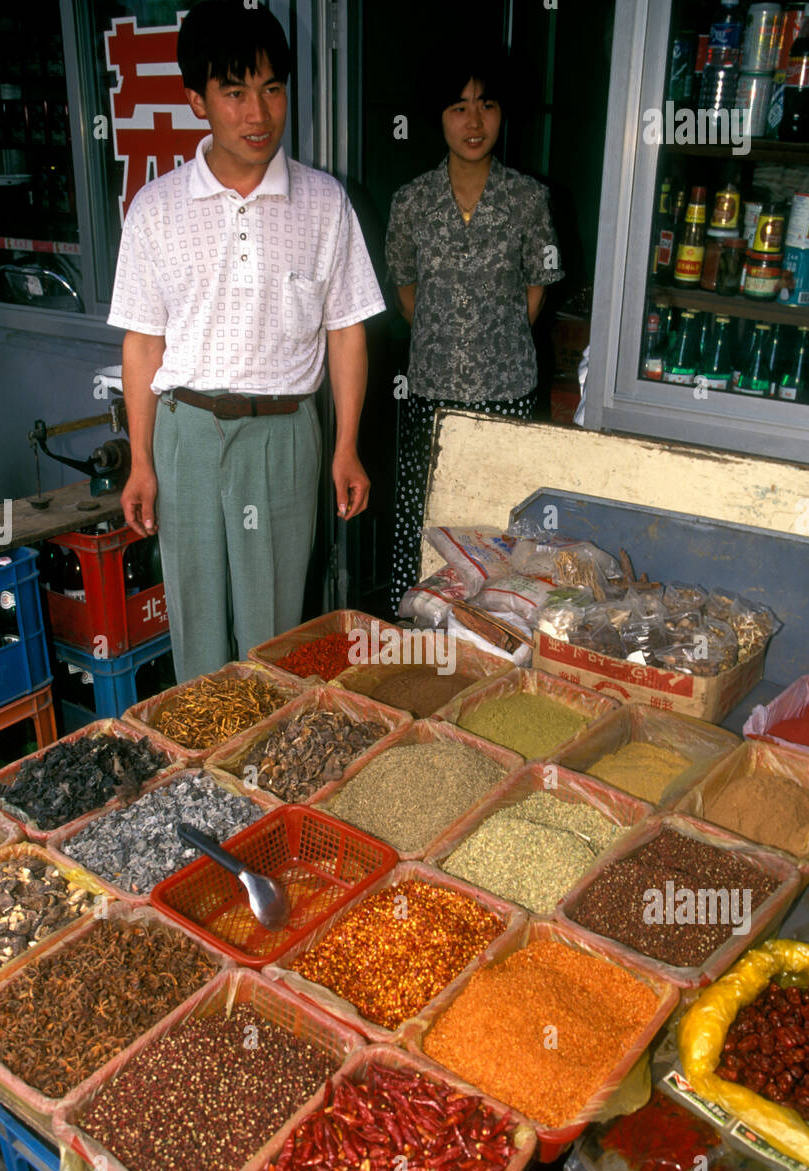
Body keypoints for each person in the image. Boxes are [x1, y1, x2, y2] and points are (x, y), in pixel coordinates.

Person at [109, 1, 385, 682]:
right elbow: (143, 346)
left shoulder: (325, 203)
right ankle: (205, 766)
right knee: (196, 617)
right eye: (234, 92)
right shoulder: (156, 210)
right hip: (187, 434)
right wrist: (141, 461)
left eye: (272, 88)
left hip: (286, 435)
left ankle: (274, 765)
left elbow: (346, 332)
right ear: (197, 99)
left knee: (279, 630)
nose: (258, 113)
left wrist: (345, 445)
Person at [385, 51, 564, 612]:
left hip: (505, 394)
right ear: (438, 117)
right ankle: (417, 634)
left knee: (499, 527)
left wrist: (490, 338)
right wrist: (450, 337)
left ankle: (491, 640)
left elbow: (536, 288)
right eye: (459, 107)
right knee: (425, 520)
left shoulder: (529, 199)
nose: (474, 121)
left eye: (486, 105)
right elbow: (405, 288)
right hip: (431, 393)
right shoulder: (411, 201)